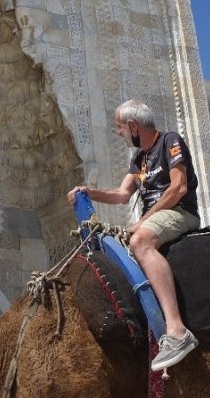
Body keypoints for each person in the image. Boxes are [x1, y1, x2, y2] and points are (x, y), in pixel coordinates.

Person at [68, 99, 200, 371]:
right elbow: (122, 195)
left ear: (132, 126)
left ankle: (176, 331)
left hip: (179, 212)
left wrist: (143, 221)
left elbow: (179, 188)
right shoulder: (139, 159)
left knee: (139, 240)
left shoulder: (170, 141)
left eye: (119, 127)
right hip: (155, 218)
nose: (118, 133)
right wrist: (87, 192)